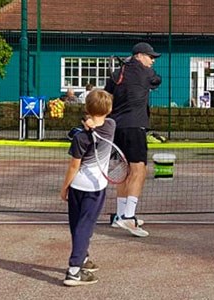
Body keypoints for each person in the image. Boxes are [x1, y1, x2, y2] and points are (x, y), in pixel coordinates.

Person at [104, 42, 162, 237]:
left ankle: (120, 216)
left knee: (123, 171)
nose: (152, 60)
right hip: (134, 126)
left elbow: (106, 93)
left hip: (116, 128)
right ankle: (129, 217)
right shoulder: (146, 72)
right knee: (139, 170)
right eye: (150, 56)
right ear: (138, 56)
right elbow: (157, 80)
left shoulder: (117, 73)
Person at [59, 89, 115, 286]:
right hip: (94, 188)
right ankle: (74, 271)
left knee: (77, 226)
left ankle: (82, 258)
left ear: (86, 108)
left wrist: (64, 187)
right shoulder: (111, 126)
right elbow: (101, 124)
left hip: (77, 186)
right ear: (109, 109)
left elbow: (74, 165)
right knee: (85, 227)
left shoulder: (79, 137)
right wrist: (91, 128)